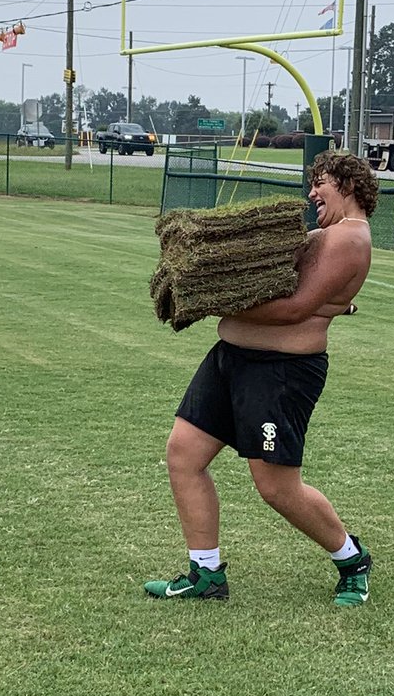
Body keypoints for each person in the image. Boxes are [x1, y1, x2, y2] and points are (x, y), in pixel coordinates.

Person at [145, 150, 379, 607]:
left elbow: (293, 308)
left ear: (348, 186)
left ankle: (352, 559)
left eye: (321, 183)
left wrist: (204, 300)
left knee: (275, 487)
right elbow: (284, 283)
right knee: (183, 454)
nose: (312, 192)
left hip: (281, 372)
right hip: (230, 358)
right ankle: (206, 574)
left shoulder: (351, 239)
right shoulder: (324, 235)